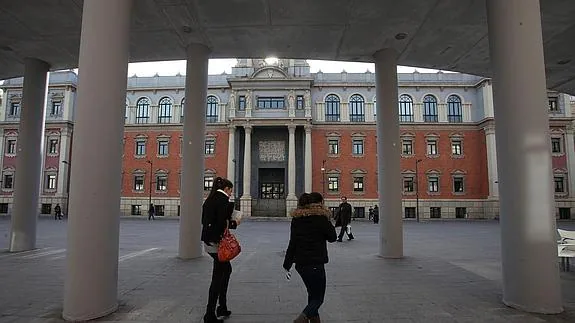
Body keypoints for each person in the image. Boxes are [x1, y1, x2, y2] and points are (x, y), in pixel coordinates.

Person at [283, 192, 337, 323]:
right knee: (318, 299)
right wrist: (327, 218)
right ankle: (301, 319)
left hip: (300, 264)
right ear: (319, 203)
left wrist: (287, 263)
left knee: (312, 295)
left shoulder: (297, 219)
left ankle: (314, 320)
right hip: (315, 263)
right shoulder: (321, 218)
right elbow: (333, 237)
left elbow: (293, 242)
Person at [201, 177, 240, 323]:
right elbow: (222, 223)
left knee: (226, 270)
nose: (231, 193)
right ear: (227, 189)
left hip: (208, 242)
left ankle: (222, 306)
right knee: (218, 277)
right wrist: (235, 222)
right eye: (230, 191)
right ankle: (210, 314)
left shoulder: (209, 199)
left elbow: (204, 220)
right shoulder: (223, 201)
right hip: (218, 244)